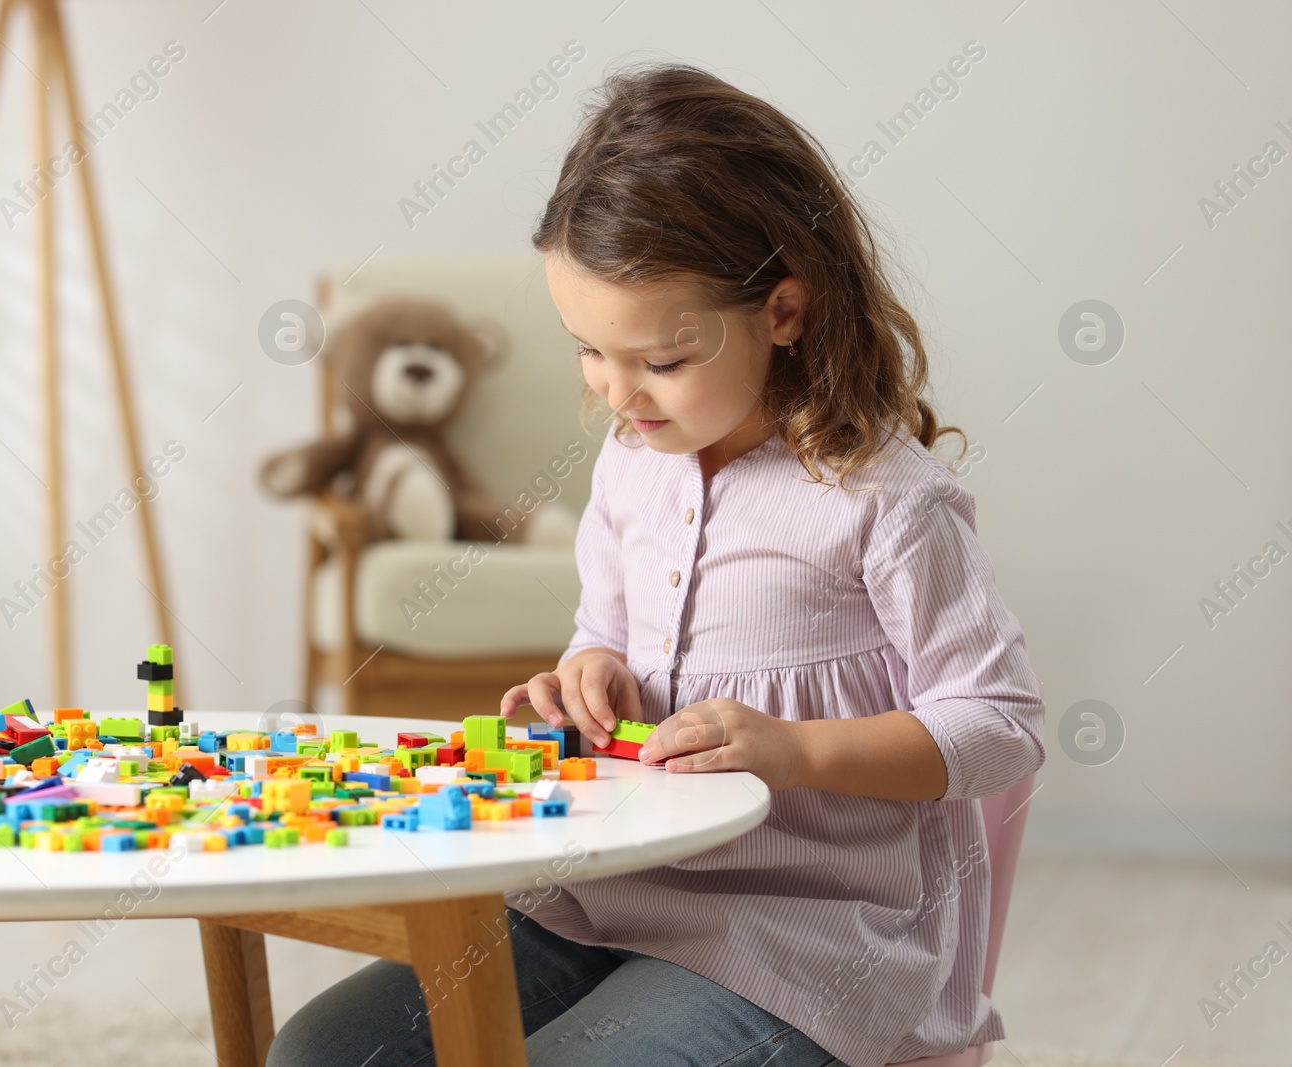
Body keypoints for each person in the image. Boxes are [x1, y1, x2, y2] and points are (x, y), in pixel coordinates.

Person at [266, 61, 1045, 1067]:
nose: (617, 391)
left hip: (804, 933)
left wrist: (796, 749)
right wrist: (585, 672)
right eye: (589, 349)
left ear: (784, 312)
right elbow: (608, 629)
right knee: (321, 1050)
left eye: (660, 361)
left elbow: (1003, 724)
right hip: (603, 886)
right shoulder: (632, 463)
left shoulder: (885, 502)